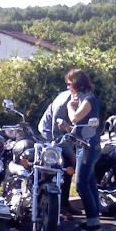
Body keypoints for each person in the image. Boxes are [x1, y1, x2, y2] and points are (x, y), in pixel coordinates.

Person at [63, 69, 102, 231]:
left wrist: (69, 107)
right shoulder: (85, 98)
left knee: (81, 184)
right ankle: (93, 219)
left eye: (69, 83)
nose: (68, 86)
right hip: (84, 145)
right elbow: (77, 126)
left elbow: (75, 118)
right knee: (90, 183)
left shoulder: (88, 100)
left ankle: (93, 223)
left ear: (77, 83)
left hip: (88, 147)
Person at [38, 88, 76, 220]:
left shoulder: (80, 98)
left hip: (65, 135)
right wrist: (71, 153)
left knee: (69, 168)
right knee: (58, 164)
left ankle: (64, 203)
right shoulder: (62, 104)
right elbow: (56, 135)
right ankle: (54, 206)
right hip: (49, 133)